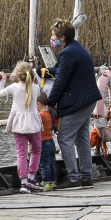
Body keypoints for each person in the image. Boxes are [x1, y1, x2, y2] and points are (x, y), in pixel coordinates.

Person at [45, 19, 102, 188]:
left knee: (64, 138)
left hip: (77, 102)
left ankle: (73, 178)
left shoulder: (67, 53)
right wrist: (45, 71)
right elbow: (61, 69)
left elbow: (61, 81)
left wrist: (49, 103)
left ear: (62, 37)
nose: (51, 38)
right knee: (82, 137)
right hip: (88, 100)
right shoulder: (76, 49)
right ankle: (86, 176)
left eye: (53, 35)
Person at [0, 61, 44, 193]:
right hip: (33, 124)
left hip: (19, 124)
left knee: (21, 153)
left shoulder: (13, 87)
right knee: (36, 150)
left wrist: (3, 79)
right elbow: (39, 88)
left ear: (17, 75)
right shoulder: (35, 88)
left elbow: (0, 93)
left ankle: (24, 183)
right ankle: (32, 178)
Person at [35, 90, 58, 191]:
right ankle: (52, 182)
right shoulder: (48, 113)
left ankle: (46, 183)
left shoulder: (40, 115)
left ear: (38, 104)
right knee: (51, 163)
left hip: (43, 142)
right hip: (50, 140)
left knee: (44, 164)